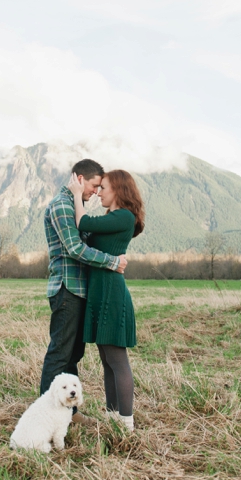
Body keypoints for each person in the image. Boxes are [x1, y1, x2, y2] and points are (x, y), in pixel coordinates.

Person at [40, 159, 127, 424]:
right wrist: (113, 262)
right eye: (93, 185)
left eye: (100, 187)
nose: (95, 192)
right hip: (67, 288)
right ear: (79, 179)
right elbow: (75, 249)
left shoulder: (72, 204)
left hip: (78, 290)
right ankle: (47, 415)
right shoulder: (61, 205)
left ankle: (69, 415)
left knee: (72, 355)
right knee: (59, 354)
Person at [68, 169, 145, 432]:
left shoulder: (124, 216)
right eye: (98, 188)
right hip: (100, 291)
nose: (99, 192)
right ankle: (114, 417)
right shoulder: (112, 217)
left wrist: (78, 195)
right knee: (107, 360)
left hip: (111, 293)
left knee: (117, 360)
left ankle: (126, 423)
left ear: (119, 191)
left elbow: (83, 224)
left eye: (104, 188)